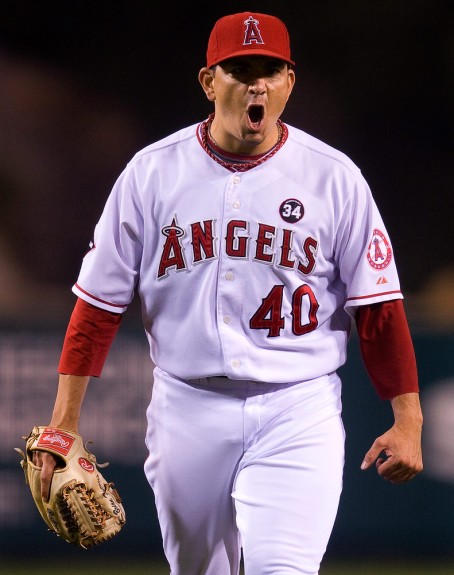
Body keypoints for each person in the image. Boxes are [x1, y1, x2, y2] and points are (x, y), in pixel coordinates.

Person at [34, 11, 423, 575]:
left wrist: (407, 418)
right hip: (186, 406)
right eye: (240, 70)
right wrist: (64, 421)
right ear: (209, 82)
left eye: (270, 69)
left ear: (291, 81)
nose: (256, 83)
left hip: (299, 405)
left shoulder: (334, 178)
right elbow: (97, 307)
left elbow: (379, 309)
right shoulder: (151, 174)